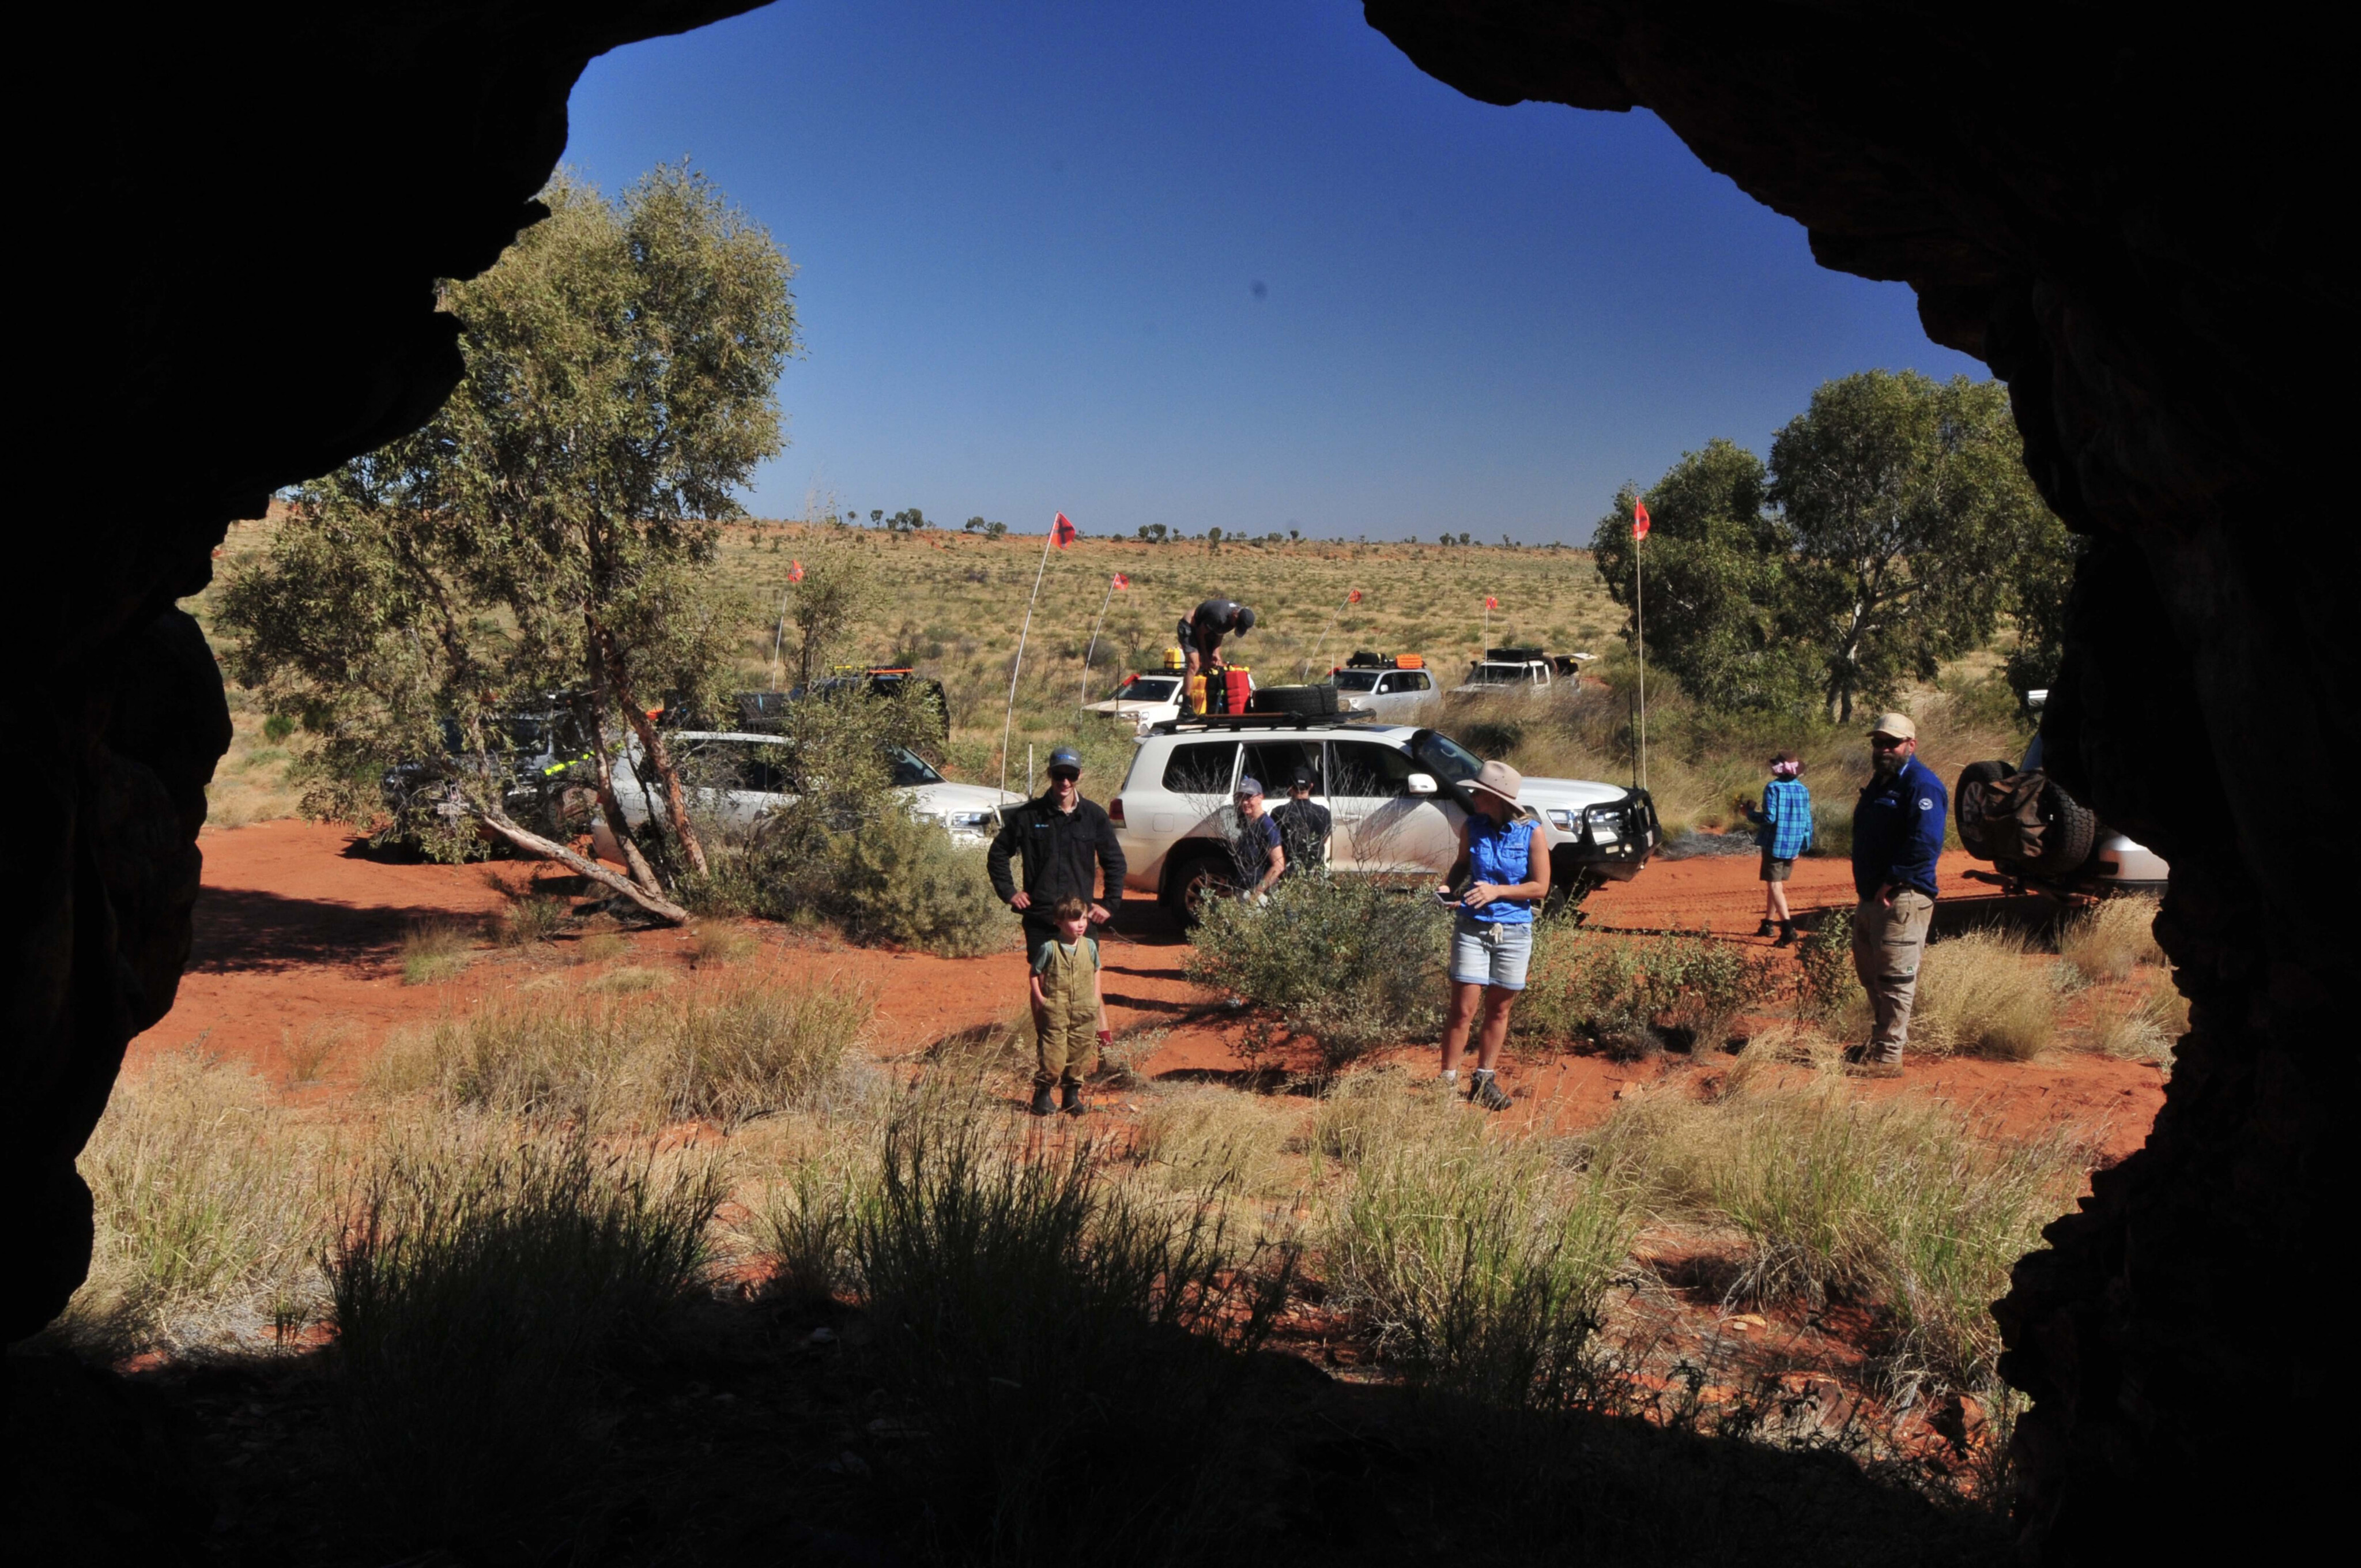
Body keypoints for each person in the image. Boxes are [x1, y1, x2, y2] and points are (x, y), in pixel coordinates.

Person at [1437, 759, 1550, 1111]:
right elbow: (1461, 865)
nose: (1472, 796)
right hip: (1472, 926)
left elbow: (1541, 887)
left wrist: (1497, 891)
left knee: (1499, 1010)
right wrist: (1446, 887)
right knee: (1462, 1010)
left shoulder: (1533, 832)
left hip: (1514, 931)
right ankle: (1446, 1085)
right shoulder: (1473, 826)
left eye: (1479, 792)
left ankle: (1484, 1079)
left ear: (1497, 797)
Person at [1846, 713, 1947, 1072]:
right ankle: (1882, 1044)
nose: (1884, 749)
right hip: (1873, 896)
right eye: (1878, 743)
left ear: (1911, 745)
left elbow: (1926, 841)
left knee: (1895, 979)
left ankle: (1888, 1058)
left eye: (1892, 743)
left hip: (1903, 897)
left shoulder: (1922, 785)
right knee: (1872, 975)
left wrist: (1895, 878)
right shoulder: (1882, 782)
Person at [986, 745, 1126, 959]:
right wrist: (1010, 892)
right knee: (1042, 982)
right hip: (1041, 918)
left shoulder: (1093, 816)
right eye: (1060, 775)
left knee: (1084, 982)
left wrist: (1110, 904)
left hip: (1080, 919)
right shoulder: (1029, 816)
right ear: (1050, 774)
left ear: (1079, 775)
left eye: (1071, 775)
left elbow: (1115, 862)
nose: (1065, 782)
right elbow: (998, 853)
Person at [1027, 896, 1110, 1117]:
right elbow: (1035, 973)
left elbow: (1096, 969)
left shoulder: (1090, 946)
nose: (1081, 924)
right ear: (1059, 922)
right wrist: (1042, 1000)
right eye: (1074, 920)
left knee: (1080, 1054)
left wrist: (1095, 997)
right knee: (1053, 1056)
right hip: (1056, 1011)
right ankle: (1042, 1096)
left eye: (1083, 918)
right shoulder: (1049, 948)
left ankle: (1071, 1096)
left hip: (1084, 1011)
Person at [1742, 751, 1814, 946]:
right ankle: (1767, 923)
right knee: (1775, 885)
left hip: (1775, 843)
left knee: (1775, 885)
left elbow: (1769, 818)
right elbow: (1807, 821)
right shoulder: (1803, 790)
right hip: (1793, 844)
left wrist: (1749, 813)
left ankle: (1788, 929)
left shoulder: (1773, 788)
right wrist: (1804, 845)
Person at [1178, 597, 1258, 692]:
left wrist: (1216, 653)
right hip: (1190, 626)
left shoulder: (1235, 617)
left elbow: (1220, 632)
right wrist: (1205, 657)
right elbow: (1200, 633)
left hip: (1207, 629)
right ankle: (1186, 702)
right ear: (1235, 616)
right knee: (1194, 665)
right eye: (1237, 625)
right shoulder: (1219, 615)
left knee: (1214, 663)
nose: (1235, 627)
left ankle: (1205, 695)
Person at [1269, 767, 1332, 879]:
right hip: (1315, 874)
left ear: (1290, 788)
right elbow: (1325, 838)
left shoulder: (1279, 813)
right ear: (1311, 786)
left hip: (1289, 877)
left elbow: (1272, 844)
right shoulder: (1323, 813)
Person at [1230, 776, 1285, 896]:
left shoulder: (1267, 825)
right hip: (1243, 890)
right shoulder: (1248, 823)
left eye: (1249, 797)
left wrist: (1258, 891)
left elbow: (1279, 865)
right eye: (1242, 797)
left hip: (1256, 895)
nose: (1245, 802)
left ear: (1261, 797)